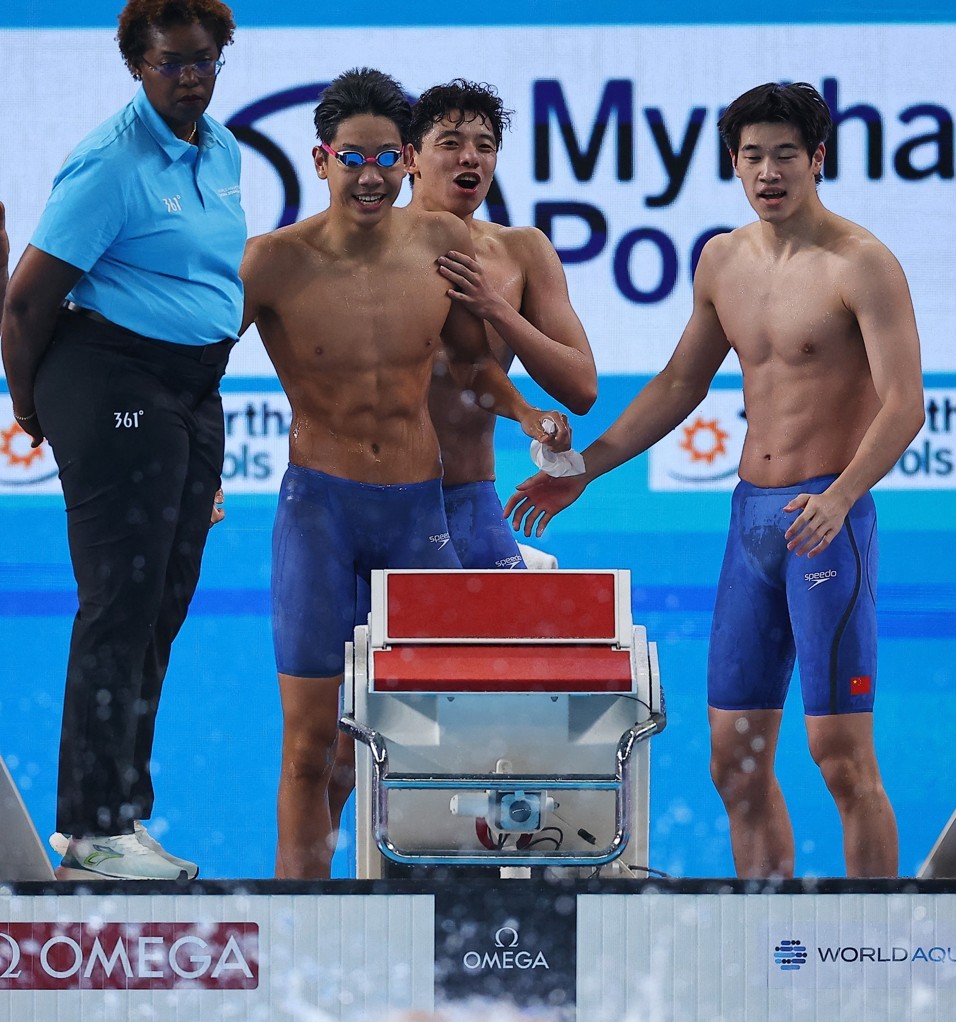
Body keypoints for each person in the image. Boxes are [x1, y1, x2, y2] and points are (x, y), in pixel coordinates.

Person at [506, 82, 925, 879]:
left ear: (818, 159)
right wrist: (585, 468)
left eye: (786, 155)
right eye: (752, 156)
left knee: (840, 758)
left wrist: (840, 498)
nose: (769, 172)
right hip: (751, 526)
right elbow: (679, 384)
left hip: (827, 523)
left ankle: (879, 932)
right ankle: (768, 931)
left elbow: (905, 404)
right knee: (734, 763)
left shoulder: (862, 264)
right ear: (734, 162)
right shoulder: (723, 260)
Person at [239, 68, 570, 879]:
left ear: (405, 161)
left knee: (439, 741)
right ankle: (298, 921)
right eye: (353, 157)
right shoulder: (270, 262)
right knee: (311, 747)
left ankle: (442, 917)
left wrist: (524, 412)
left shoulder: (440, 244)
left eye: (387, 157)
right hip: (319, 515)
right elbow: (192, 372)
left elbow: (471, 366)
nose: (372, 175)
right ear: (321, 159)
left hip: (419, 517)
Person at [1, 0, 244, 881]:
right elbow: (26, 302)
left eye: (204, 60)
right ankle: (91, 827)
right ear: (137, 67)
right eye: (171, 62)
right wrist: (31, 407)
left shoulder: (223, 150)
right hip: (109, 379)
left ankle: (121, 819)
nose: (190, 77)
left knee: (161, 605)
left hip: (192, 390)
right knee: (119, 602)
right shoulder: (109, 162)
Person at [407, 79, 597, 569]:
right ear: (411, 158)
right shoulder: (374, 251)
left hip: (472, 499)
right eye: (450, 143)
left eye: (485, 146)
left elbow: (581, 388)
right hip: (385, 498)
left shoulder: (521, 252)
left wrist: (496, 308)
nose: (470, 157)